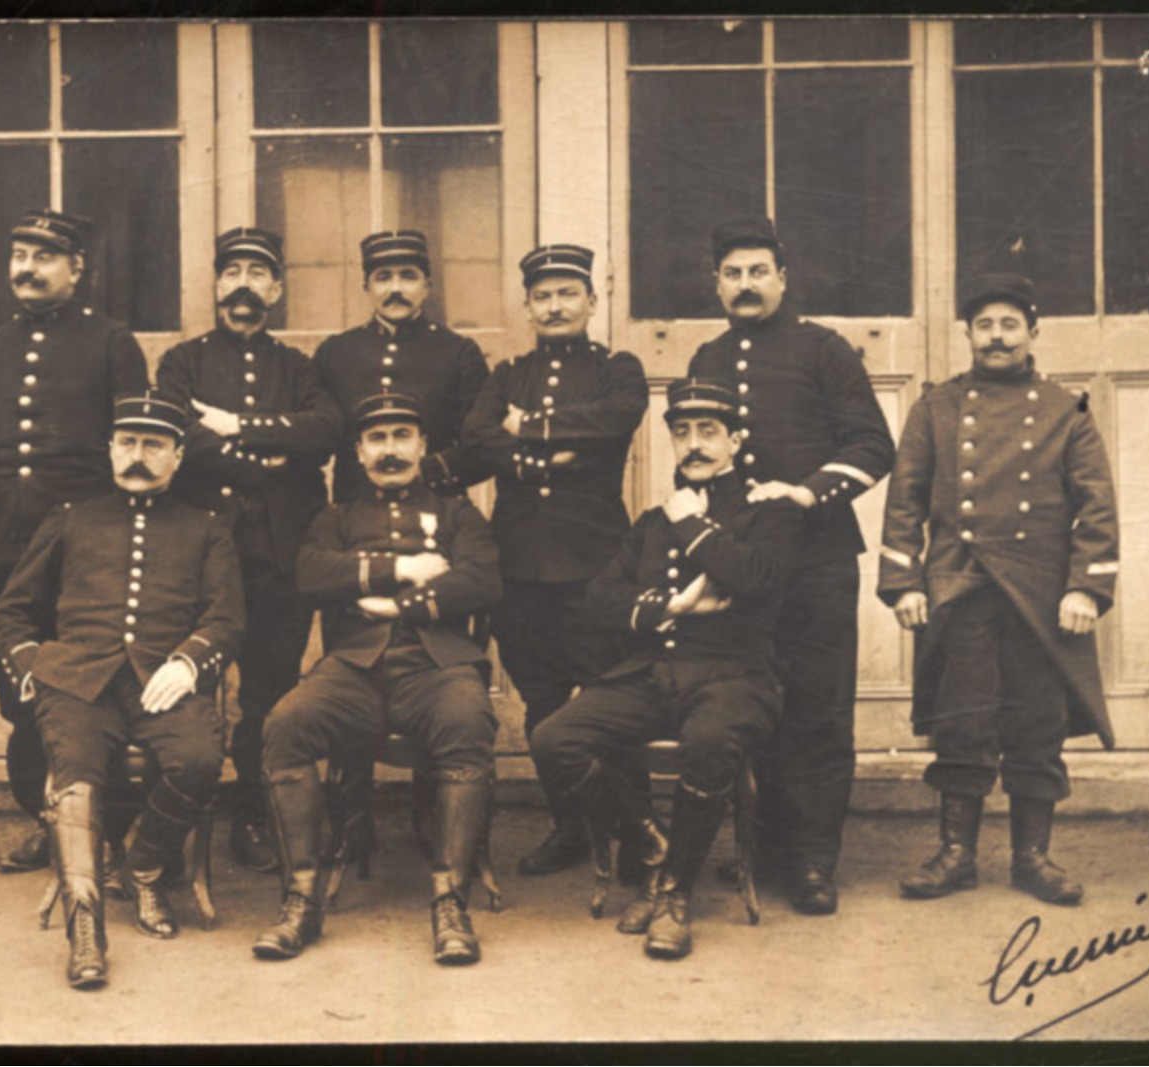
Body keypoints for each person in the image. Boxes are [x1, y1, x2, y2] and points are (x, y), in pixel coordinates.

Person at [531, 379, 803, 961]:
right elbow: (602, 597)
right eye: (682, 433)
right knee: (556, 738)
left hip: (737, 676)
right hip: (656, 669)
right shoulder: (652, 521)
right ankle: (651, 845)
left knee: (708, 740)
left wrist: (693, 526)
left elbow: (756, 577)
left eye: (709, 432)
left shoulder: (768, 510)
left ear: (737, 439)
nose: (694, 445)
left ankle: (676, 896)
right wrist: (668, 607)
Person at [878, 273, 1118, 907]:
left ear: (1033, 333)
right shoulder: (936, 407)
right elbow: (904, 500)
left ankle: (1032, 858)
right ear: (968, 334)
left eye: (1010, 324)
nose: (997, 337)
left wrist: (1086, 590)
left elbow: (1096, 507)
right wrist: (903, 580)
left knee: (1037, 723)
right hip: (959, 587)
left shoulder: (1069, 410)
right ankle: (955, 854)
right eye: (984, 325)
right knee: (964, 719)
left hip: (1041, 595)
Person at [0, 394, 243, 989]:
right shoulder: (70, 517)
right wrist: (35, 668)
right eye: (127, 442)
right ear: (109, 450)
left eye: (154, 445)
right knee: (76, 777)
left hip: (164, 679)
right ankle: (86, 929)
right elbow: (12, 612)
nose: (139, 456)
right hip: (78, 680)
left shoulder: (207, 528)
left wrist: (190, 661)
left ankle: (145, 866)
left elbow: (226, 617)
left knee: (201, 761)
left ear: (178, 457)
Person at [685, 216, 896, 915]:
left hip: (815, 561)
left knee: (817, 712)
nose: (744, 285)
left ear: (782, 279)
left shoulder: (823, 350)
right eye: (732, 274)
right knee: (753, 705)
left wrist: (806, 491)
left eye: (757, 272)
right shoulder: (707, 360)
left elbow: (873, 445)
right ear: (716, 284)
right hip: (742, 567)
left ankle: (809, 861)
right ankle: (759, 850)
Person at [252, 393, 502, 965]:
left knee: (468, 723)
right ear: (360, 452)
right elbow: (311, 574)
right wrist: (399, 570)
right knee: (285, 726)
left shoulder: (459, 512)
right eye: (376, 439)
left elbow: (483, 581)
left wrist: (397, 609)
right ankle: (302, 898)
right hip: (354, 669)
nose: (390, 450)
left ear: (422, 445)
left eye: (401, 436)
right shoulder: (337, 518)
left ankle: (450, 902)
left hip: (438, 666)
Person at [0, 208, 151, 875]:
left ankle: (97, 824)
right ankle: (45, 820)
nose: (26, 269)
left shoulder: (112, 341)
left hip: (81, 549)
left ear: (76, 269)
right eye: (18, 255)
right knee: (21, 693)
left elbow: (132, 448)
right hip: (4, 544)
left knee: (86, 688)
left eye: (43, 256)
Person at [155, 227, 345, 872]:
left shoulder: (299, 367)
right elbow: (179, 435)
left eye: (257, 274)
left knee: (270, 688)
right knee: (189, 685)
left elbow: (325, 431)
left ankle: (256, 810)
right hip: (199, 555)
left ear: (277, 290)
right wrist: (270, 453)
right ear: (215, 287)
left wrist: (237, 426)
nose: (243, 285)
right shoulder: (181, 362)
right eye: (231, 272)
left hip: (279, 555)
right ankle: (180, 812)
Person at [462, 243, 646, 877]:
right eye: (543, 296)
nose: (555, 305)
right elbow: (479, 436)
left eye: (568, 293)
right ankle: (570, 827)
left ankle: (631, 833)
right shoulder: (507, 374)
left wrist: (530, 428)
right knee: (542, 703)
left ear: (593, 301)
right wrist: (540, 453)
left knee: (609, 699)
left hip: (595, 566)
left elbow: (618, 417)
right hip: (519, 569)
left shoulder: (618, 368)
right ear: (528, 306)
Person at [313, 230, 490, 504]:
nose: (396, 289)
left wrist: (423, 472)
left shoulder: (459, 353)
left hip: (437, 509)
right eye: (383, 277)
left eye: (408, 276)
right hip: (356, 511)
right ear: (366, 287)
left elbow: (483, 445)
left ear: (426, 286)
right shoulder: (335, 353)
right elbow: (319, 438)